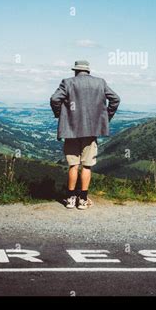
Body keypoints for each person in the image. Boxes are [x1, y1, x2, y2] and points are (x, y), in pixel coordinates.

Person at [50, 60, 120, 210]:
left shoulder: (67, 83)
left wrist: (60, 114)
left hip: (71, 130)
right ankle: (82, 200)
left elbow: (55, 99)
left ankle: (70, 199)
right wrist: (105, 117)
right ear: (88, 71)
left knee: (73, 165)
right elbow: (115, 99)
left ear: (75, 70)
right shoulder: (100, 83)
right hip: (91, 130)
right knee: (87, 166)